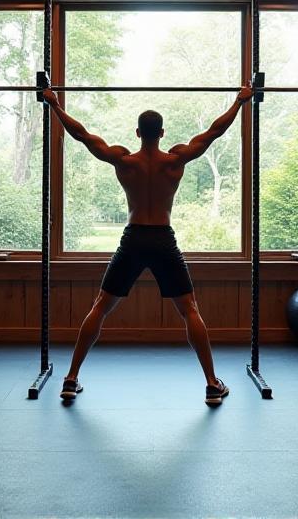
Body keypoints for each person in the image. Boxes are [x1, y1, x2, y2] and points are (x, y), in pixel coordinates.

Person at [42, 84, 254, 405]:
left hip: (134, 238)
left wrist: (55, 106)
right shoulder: (176, 160)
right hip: (162, 239)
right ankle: (212, 384)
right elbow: (214, 132)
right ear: (163, 132)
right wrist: (240, 101)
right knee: (189, 310)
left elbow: (82, 135)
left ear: (138, 133)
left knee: (100, 305)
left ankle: (70, 380)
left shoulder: (124, 161)